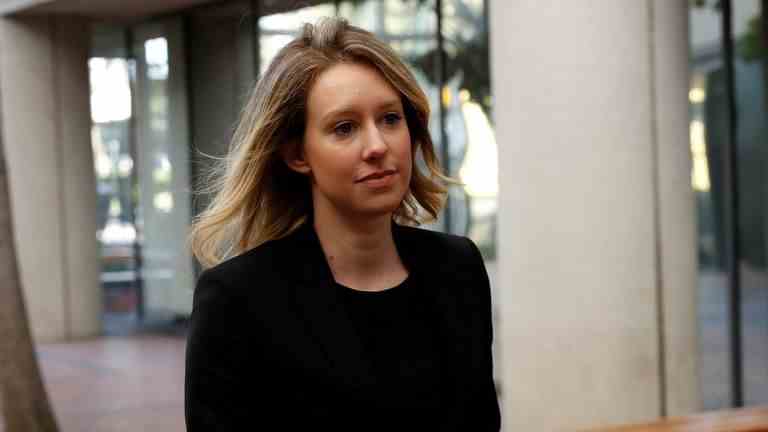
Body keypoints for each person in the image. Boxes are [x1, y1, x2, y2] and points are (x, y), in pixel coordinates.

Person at [184, 16, 500, 431]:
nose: (377, 146)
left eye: (390, 119)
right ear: (297, 154)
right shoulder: (237, 299)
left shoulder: (457, 268)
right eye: (344, 127)